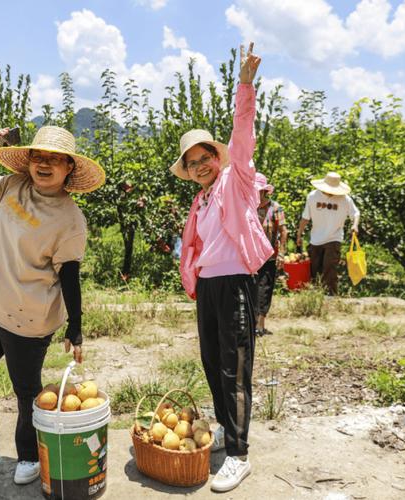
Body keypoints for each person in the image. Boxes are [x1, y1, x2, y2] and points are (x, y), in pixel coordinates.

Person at [0, 126, 105, 488]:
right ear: (28, 161)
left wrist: (75, 326)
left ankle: (30, 455)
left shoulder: (70, 219)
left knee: (28, 392)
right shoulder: (11, 184)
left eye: (54, 159)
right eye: (38, 157)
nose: (43, 164)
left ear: (68, 168)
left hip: (29, 318)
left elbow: (69, 276)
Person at [172, 42, 272, 493]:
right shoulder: (201, 199)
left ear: (217, 156)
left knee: (235, 369)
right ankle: (226, 437)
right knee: (213, 362)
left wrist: (245, 85)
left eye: (204, 158)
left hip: (234, 285)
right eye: (192, 165)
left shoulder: (236, 180)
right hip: (209, 288)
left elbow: (243, 134)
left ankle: (238, 454)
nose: (200, 167)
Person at [295, 172, 359, 295]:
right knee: (314, 269)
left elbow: (355, 213)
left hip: (334, 238)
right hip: (316, 238)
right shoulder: (313, 196)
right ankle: (314, 295)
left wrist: (355, 224)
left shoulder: (345, 199)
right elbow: (305, 217)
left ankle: (331, 296)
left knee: (329, 268)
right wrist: (299, 233)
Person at [254, 173, 287, 336]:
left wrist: (281, 254)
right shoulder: (248, 207)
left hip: (269, 257)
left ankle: (260, 323)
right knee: (250, 289)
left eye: (258, 191)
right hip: (250, 258)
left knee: (264, 289)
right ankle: (251, 323)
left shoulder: (275, 208)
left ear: (264, 192)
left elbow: (283, 231)